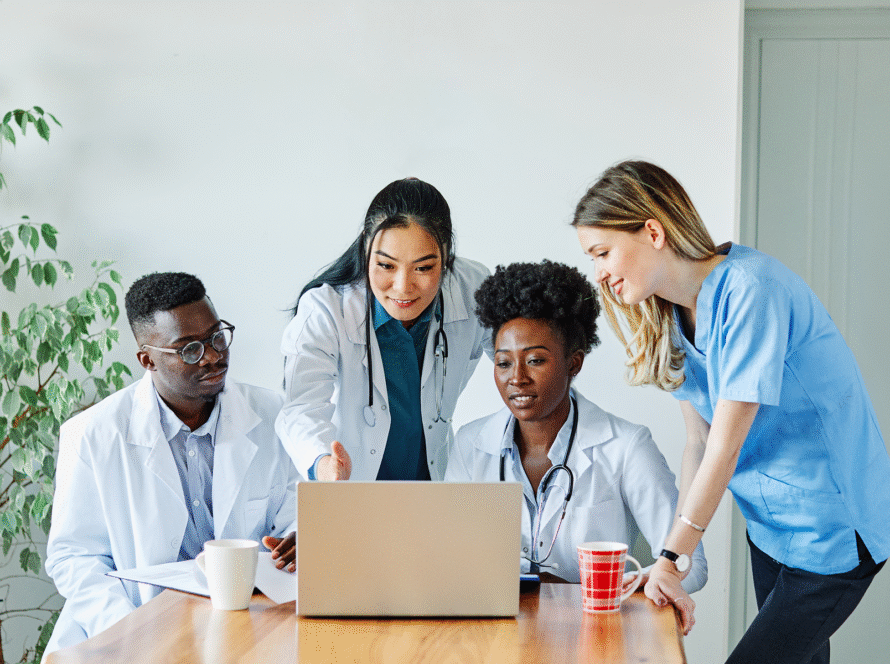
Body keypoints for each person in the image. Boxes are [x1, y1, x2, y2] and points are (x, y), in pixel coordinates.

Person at [573, 160, 890, 660]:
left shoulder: (750, 290)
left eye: (603, 253)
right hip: (770, 527)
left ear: (652, 231)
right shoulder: (669, 315)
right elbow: (697, 444)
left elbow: (725, 444)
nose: (600, 273)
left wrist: (673, 558)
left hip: (831, 526)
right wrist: (669, 561)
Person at [44, 272, 298, 655]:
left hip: (250, 620)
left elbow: (297, 511)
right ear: (147, 359)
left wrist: (299, 536)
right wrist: (132, 629)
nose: (213, 356)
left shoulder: (271, 413)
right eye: (189, 350)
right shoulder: (92, 435)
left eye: (216, 337)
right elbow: (75, 557)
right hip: (136, 622)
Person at [444, 260, 707, 599]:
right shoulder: (471, 444)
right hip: (498, 635)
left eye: (535, 360)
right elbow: (449, 561)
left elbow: (691, 564)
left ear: (574, 363)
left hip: (591, 636)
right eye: (503, 362)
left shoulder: (626, 447)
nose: (517, 378)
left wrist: (633, 584)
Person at [276, 178, 489, 481]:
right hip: (352, 488)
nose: (403, 287)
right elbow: (300, 409)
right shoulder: (327, 310)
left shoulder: (472, 289)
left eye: (424, 268)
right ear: (366, 247)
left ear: (447, 255)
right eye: (387, 266)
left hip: (433, 488)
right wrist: (324, 464)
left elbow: (519, 358)